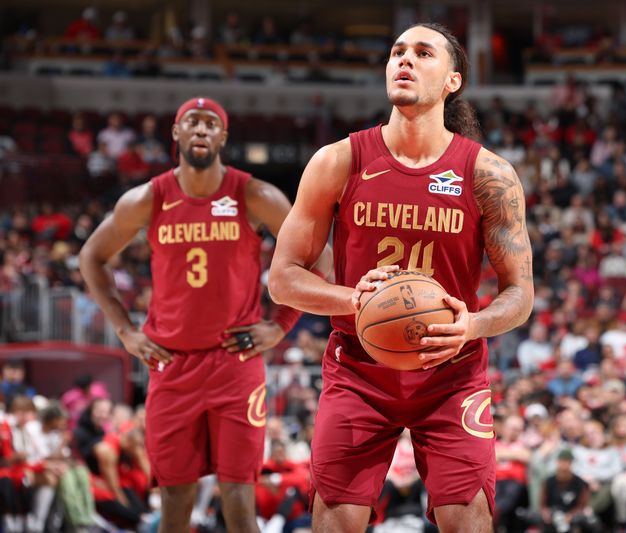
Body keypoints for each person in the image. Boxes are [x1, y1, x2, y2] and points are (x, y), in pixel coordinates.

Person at [268, 22, 534, 531]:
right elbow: (282, 279)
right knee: (335, 517)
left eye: (422, 52)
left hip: (450, 371)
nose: (404, 60)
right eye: (396, 51)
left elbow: (520, 293)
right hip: (359, 369)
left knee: (469, 516)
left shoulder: (488, 174)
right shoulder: (338, 161)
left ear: (453, 80)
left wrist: (472, 326)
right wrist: (354, 299)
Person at [79, 96, 328, 533]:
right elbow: (91, 257)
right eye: (191, 122)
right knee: (175, 498)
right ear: (176, 133)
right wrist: (124, 330)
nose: (201, 129)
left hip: (235, 364)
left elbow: (318, 257)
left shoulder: (255, 194)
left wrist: (280, 325)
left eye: (210, 123)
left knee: (238, 498)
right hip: (170, 363)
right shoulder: (146, 198)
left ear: (223, 137)